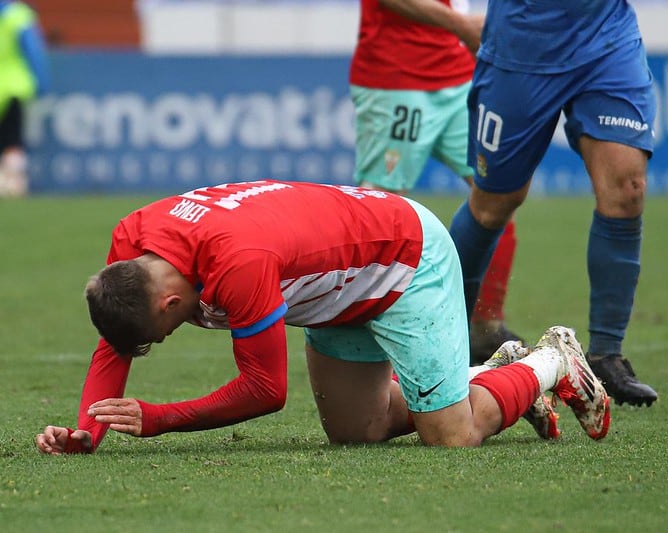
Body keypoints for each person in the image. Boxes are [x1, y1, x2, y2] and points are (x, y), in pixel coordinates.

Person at [35, 180, 609, 454]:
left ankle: (548, 363)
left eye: (159, 336)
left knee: (451, 436)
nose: (161, 341)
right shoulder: (133, 245)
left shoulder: (236, 264)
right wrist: (90, 428)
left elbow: (265, 390)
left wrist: (157, 417)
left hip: (405, 259)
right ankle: (491, 377)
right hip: (336, 287)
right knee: (360, 432)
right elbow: (116, 342)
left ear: (168, 304)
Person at [448, 0, 659, 406]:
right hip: (521, 46)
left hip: (605, 39)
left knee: (627, 188)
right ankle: (452, 335)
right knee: (495, 202)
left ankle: (605, 354)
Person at [349, 0, 522, 364]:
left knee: (498, 193)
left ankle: (484, 329)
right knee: (379, 214)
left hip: (460, 78)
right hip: (396, 80)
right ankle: (358, 330)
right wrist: (460, 25)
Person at [0, 0, 49, 197]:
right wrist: (42, 81)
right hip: (12, 87)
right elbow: (33, 51)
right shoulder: (17, 14)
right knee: (12, 140)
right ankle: (13, 186)